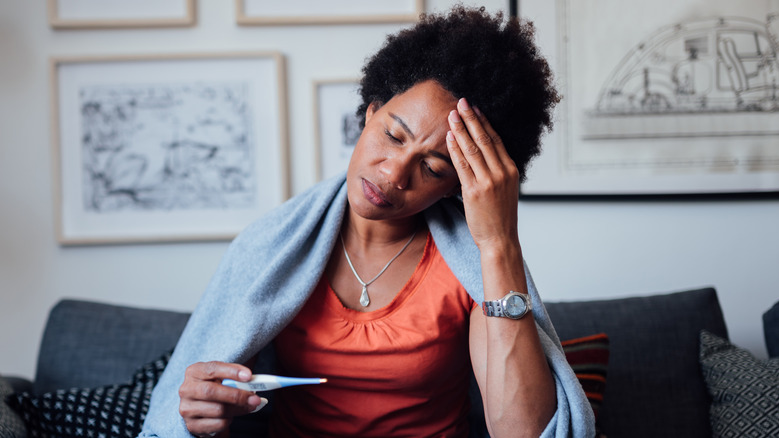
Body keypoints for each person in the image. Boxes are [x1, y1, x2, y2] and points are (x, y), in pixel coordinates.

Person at [140, 5, 595, 438]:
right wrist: (202, 415)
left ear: (459, 186)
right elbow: (199, 407)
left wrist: (499, 244)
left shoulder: (469, 267)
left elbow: (523, 433)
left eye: (433, 168)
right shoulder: (274, 246)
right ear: (370, 111)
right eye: (393, 135)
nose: (394, 174)